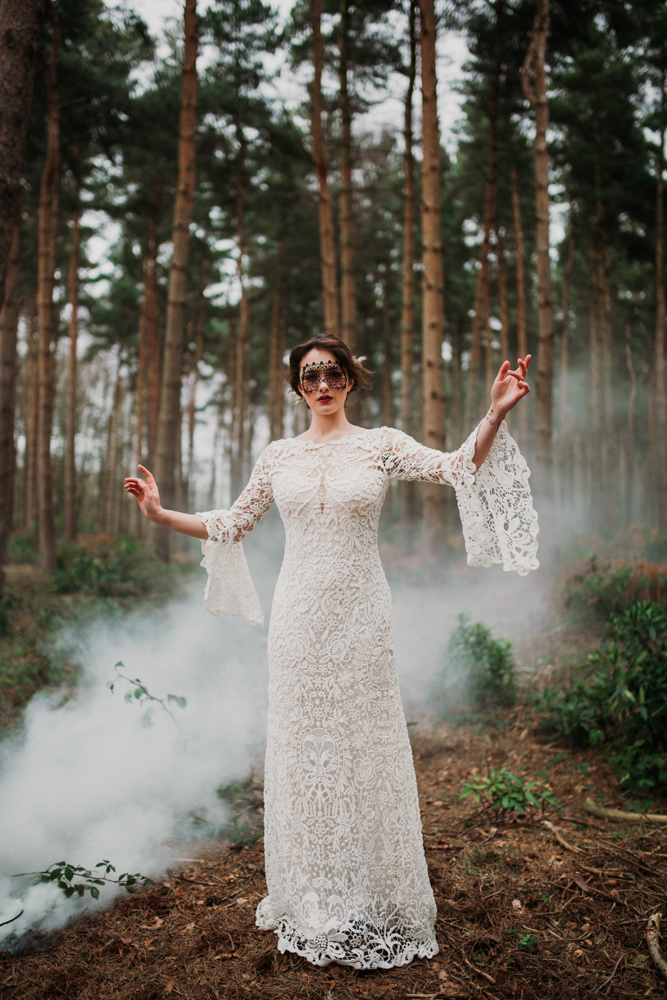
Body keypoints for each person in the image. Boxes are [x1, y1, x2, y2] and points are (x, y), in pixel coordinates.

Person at [124, 333, 539, 970]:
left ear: (350, 380)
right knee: (307, 752)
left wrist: (495, 412)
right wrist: (160, 514)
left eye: (333, 372)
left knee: (365, 746)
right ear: (297, 387)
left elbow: (456, 467)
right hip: (296, 624)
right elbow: (232, 523)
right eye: (309, 374)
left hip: (362, 619)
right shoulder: (278, 457)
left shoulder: (381, 444)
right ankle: (313, 894)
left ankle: (379, 894)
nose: (322, 383)